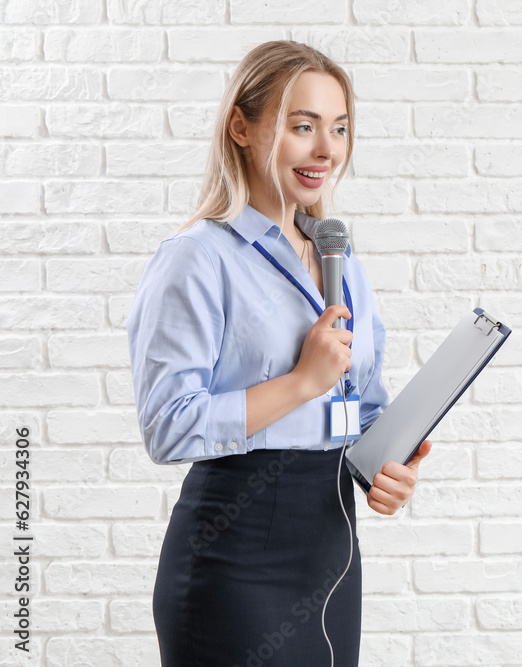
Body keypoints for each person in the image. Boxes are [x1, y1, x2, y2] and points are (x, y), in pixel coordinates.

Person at [126, 40, 431, 667]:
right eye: (303, 127)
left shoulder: (341, 260)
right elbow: (168, 426)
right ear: (241, 126)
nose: (327, 150)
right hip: (234, 555)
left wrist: (387, 468)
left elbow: (363, 407)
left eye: (340, 129)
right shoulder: (198, 258)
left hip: (331, 549)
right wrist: (300, 382)